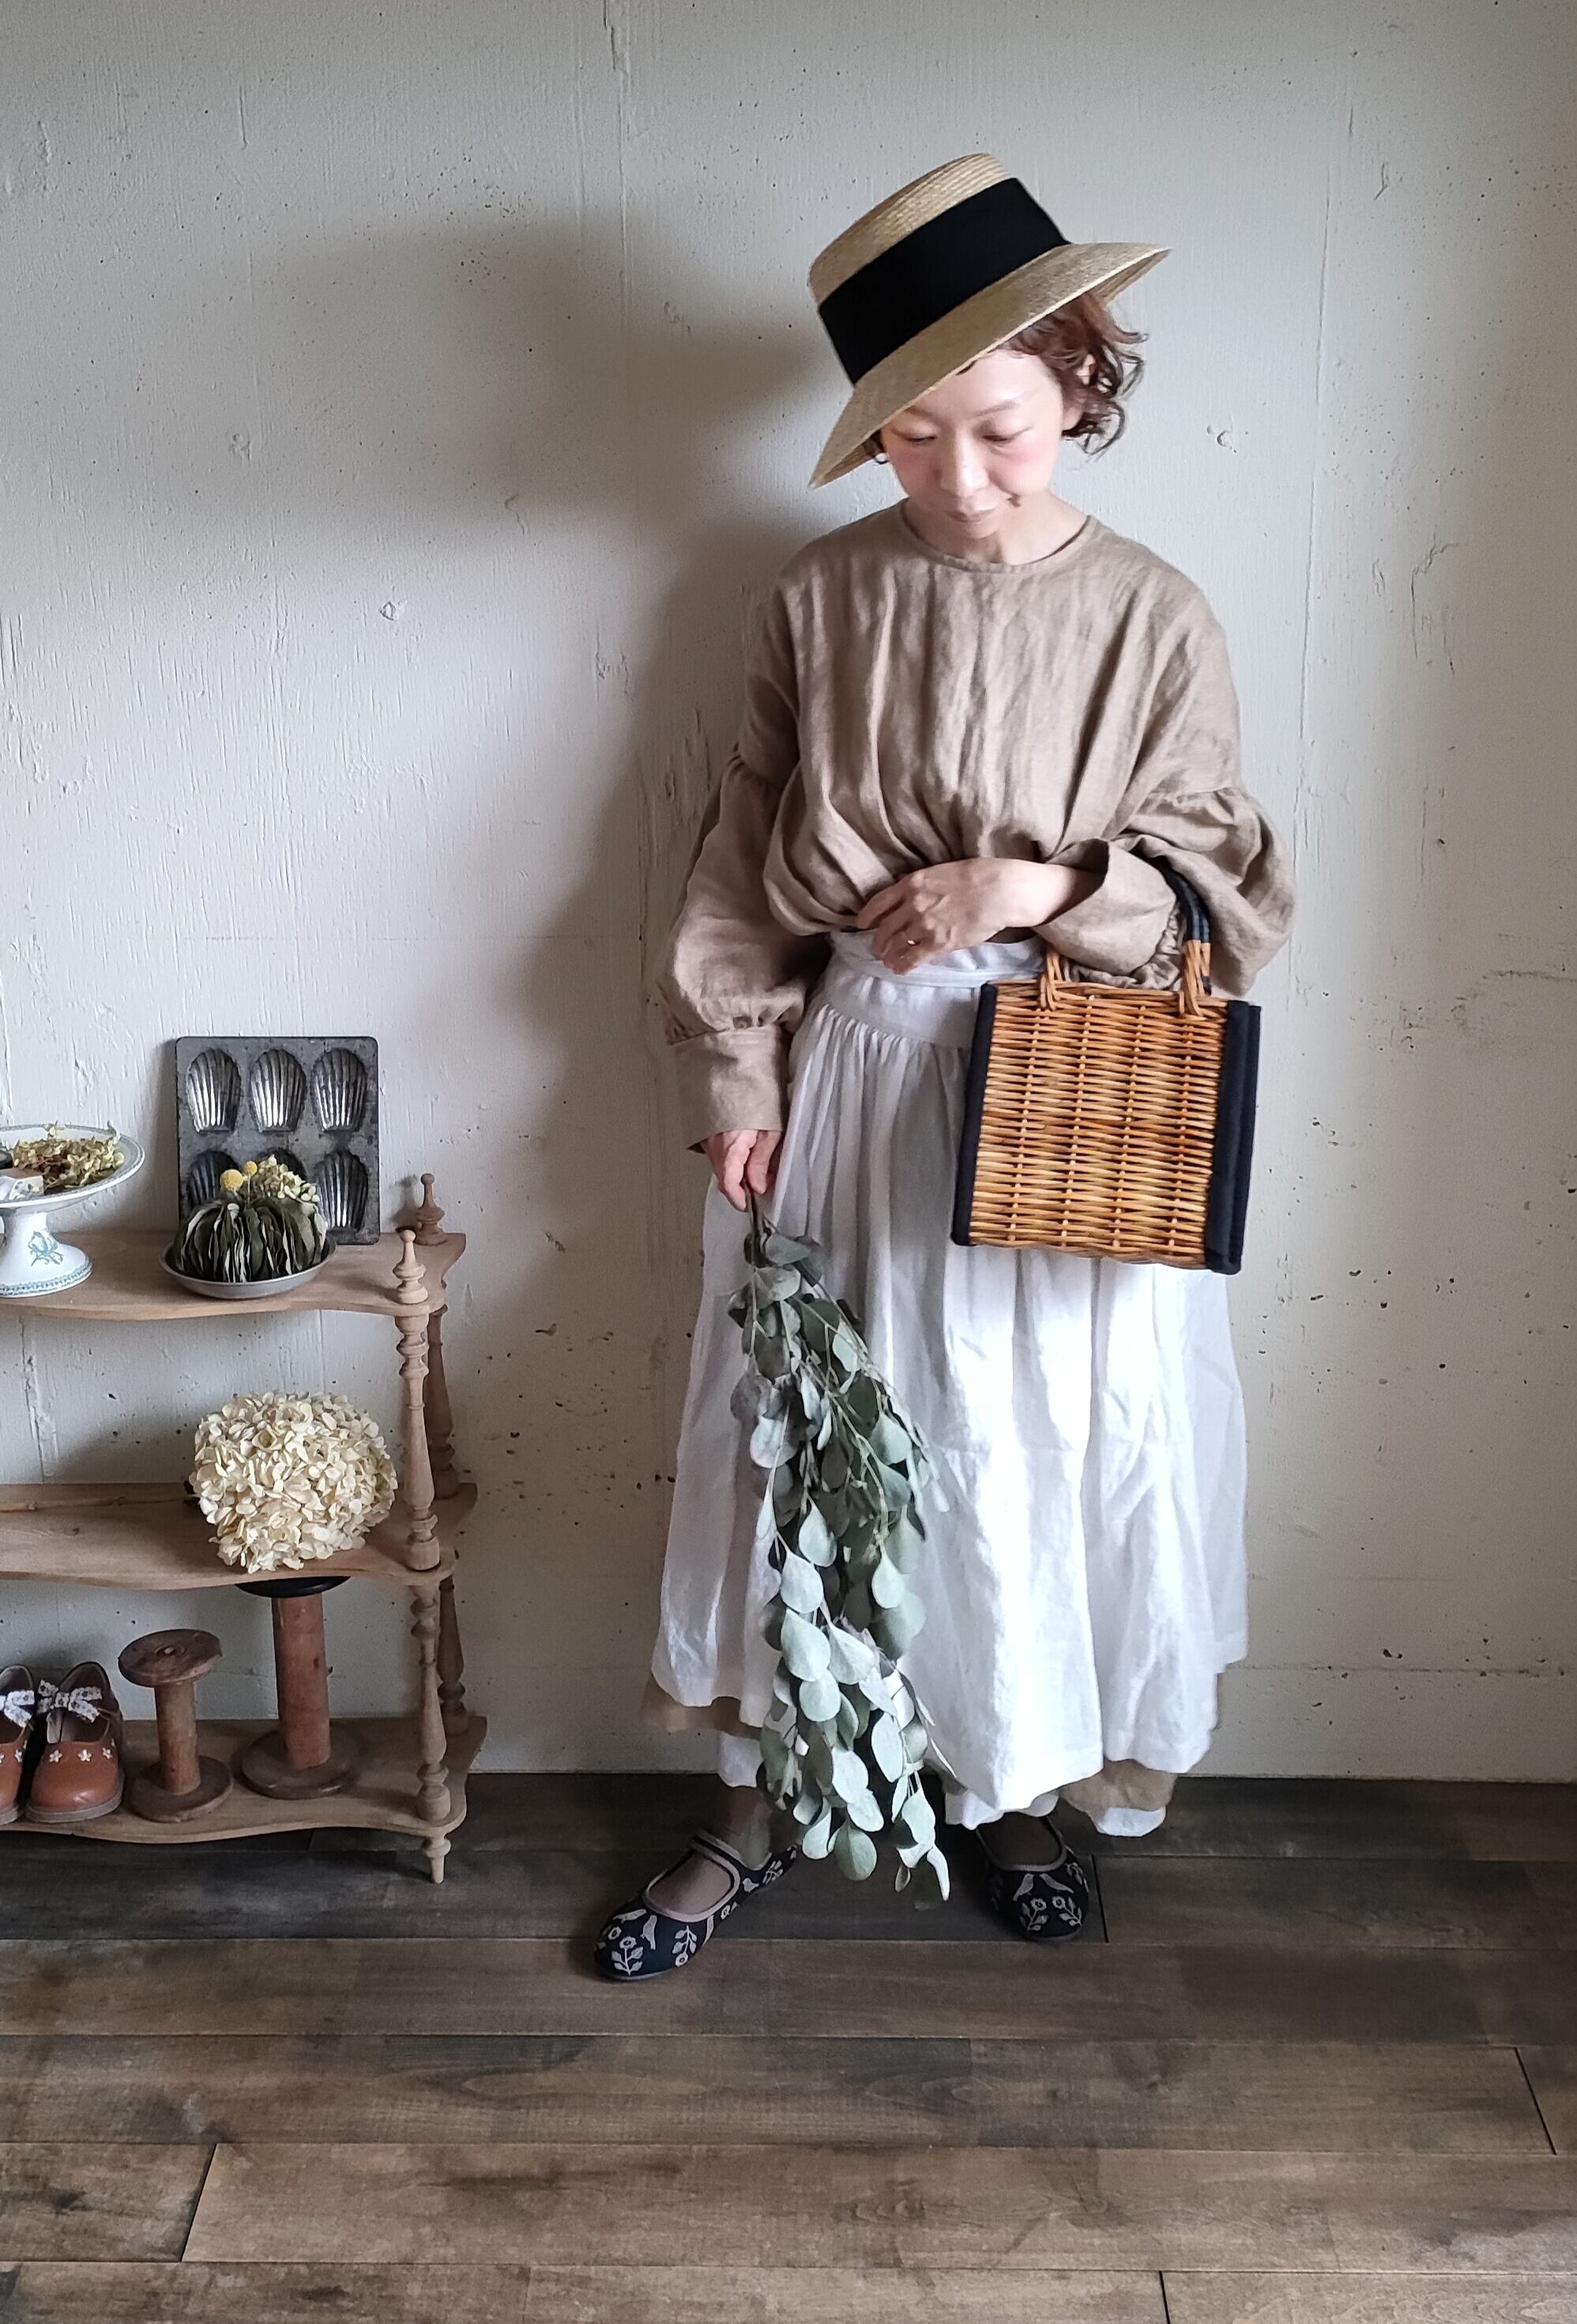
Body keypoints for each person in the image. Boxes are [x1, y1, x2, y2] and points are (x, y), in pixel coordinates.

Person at [594, 154, 1297, 1980]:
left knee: (1028, 1450)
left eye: (996, 428)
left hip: (1073, 1096)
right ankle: (760, 1800)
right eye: (909, 440)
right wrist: (738, 1078)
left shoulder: (1150, 613)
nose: (960, 478)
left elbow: (1230, 888)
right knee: (809, 1435)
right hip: (851, 1079)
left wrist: (1039, 888)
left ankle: (1008, 1786)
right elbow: (736, 853)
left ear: (1079, 378)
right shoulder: (817, 594)